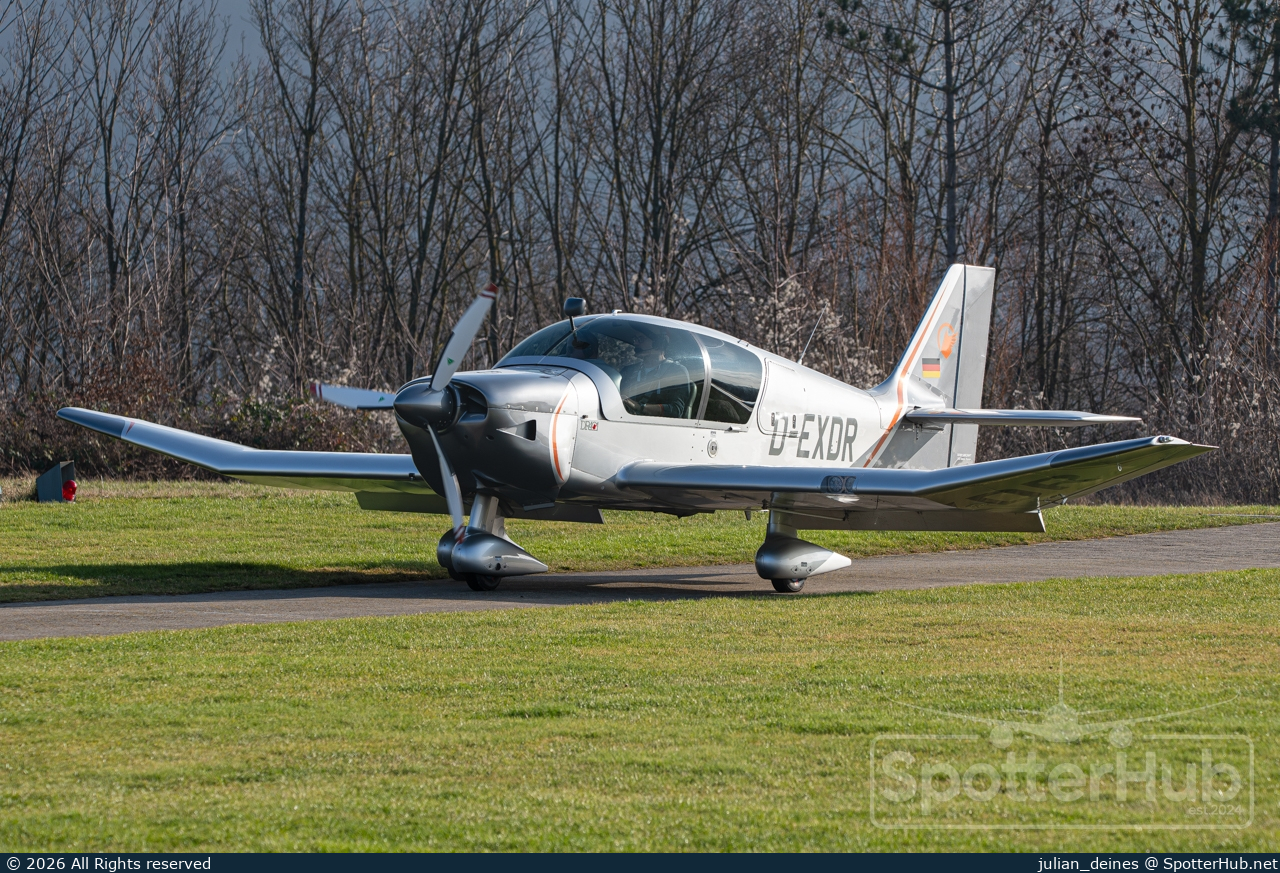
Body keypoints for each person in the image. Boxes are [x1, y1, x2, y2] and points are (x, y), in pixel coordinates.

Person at [619, 330, 694, 417]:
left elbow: (676, 410)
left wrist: (639, 407)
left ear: (658, 343)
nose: (636, 343)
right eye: (635, 339)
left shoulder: (676, 371)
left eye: (641, 339)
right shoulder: (628, 370)